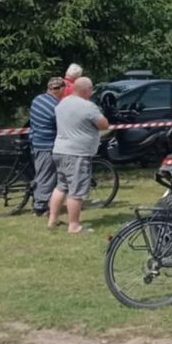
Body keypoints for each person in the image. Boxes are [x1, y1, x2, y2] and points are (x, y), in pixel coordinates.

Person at [49, 77, 108, 234]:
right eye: (91, 89)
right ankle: (74, 226)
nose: (92, 92)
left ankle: (53, 219)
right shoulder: (88, 106)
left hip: (60, 150)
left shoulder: (62, 102)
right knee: (76, 190)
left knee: (61, 186)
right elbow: (104, 125)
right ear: (86, 90)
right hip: (77, 153)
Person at [28, 77, 64, 216]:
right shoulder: (56, 107)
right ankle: (40, 207)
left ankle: (43, 199)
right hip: (47, 144)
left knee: (42, 173)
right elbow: (62, 125)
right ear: (60, 89)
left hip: (35, 141)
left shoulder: (37, 100)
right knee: (46, 176)